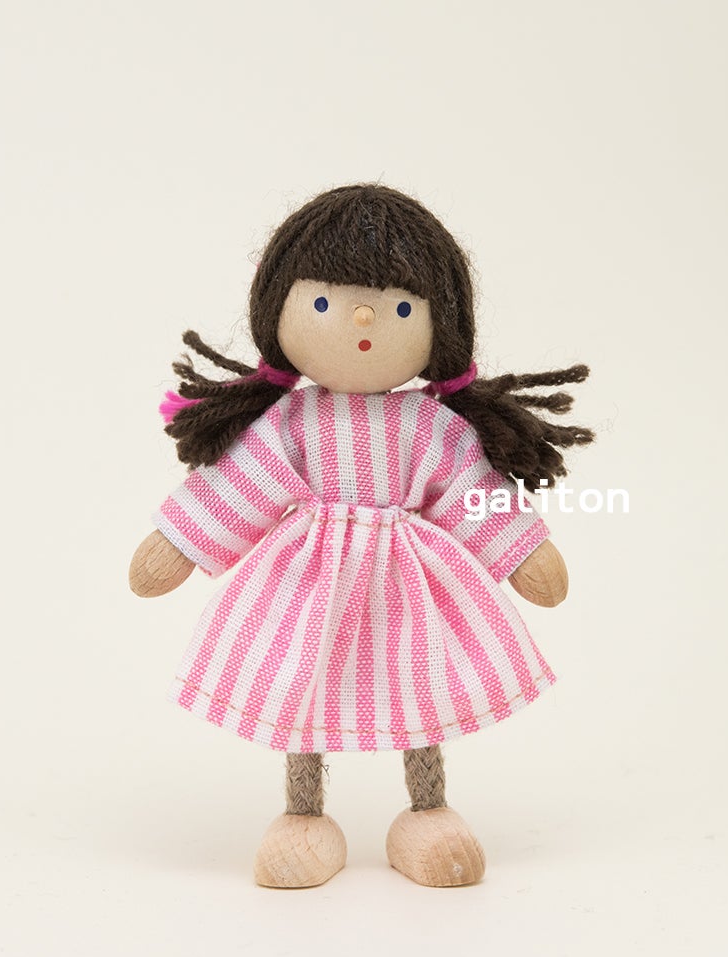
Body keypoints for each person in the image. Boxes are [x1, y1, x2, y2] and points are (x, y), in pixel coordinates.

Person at [130, 184, 592, 888]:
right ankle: (305, 818)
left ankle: (427, 812)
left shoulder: (429, 426)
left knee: (419, 682)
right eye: (324, 305)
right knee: (304, 685)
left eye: (402, 308)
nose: (365, 320)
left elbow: (471, 493)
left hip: (408, 589)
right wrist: (178, 544)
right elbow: (239, 486)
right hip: (309, 586)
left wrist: (523, 550)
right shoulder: (292, 423)